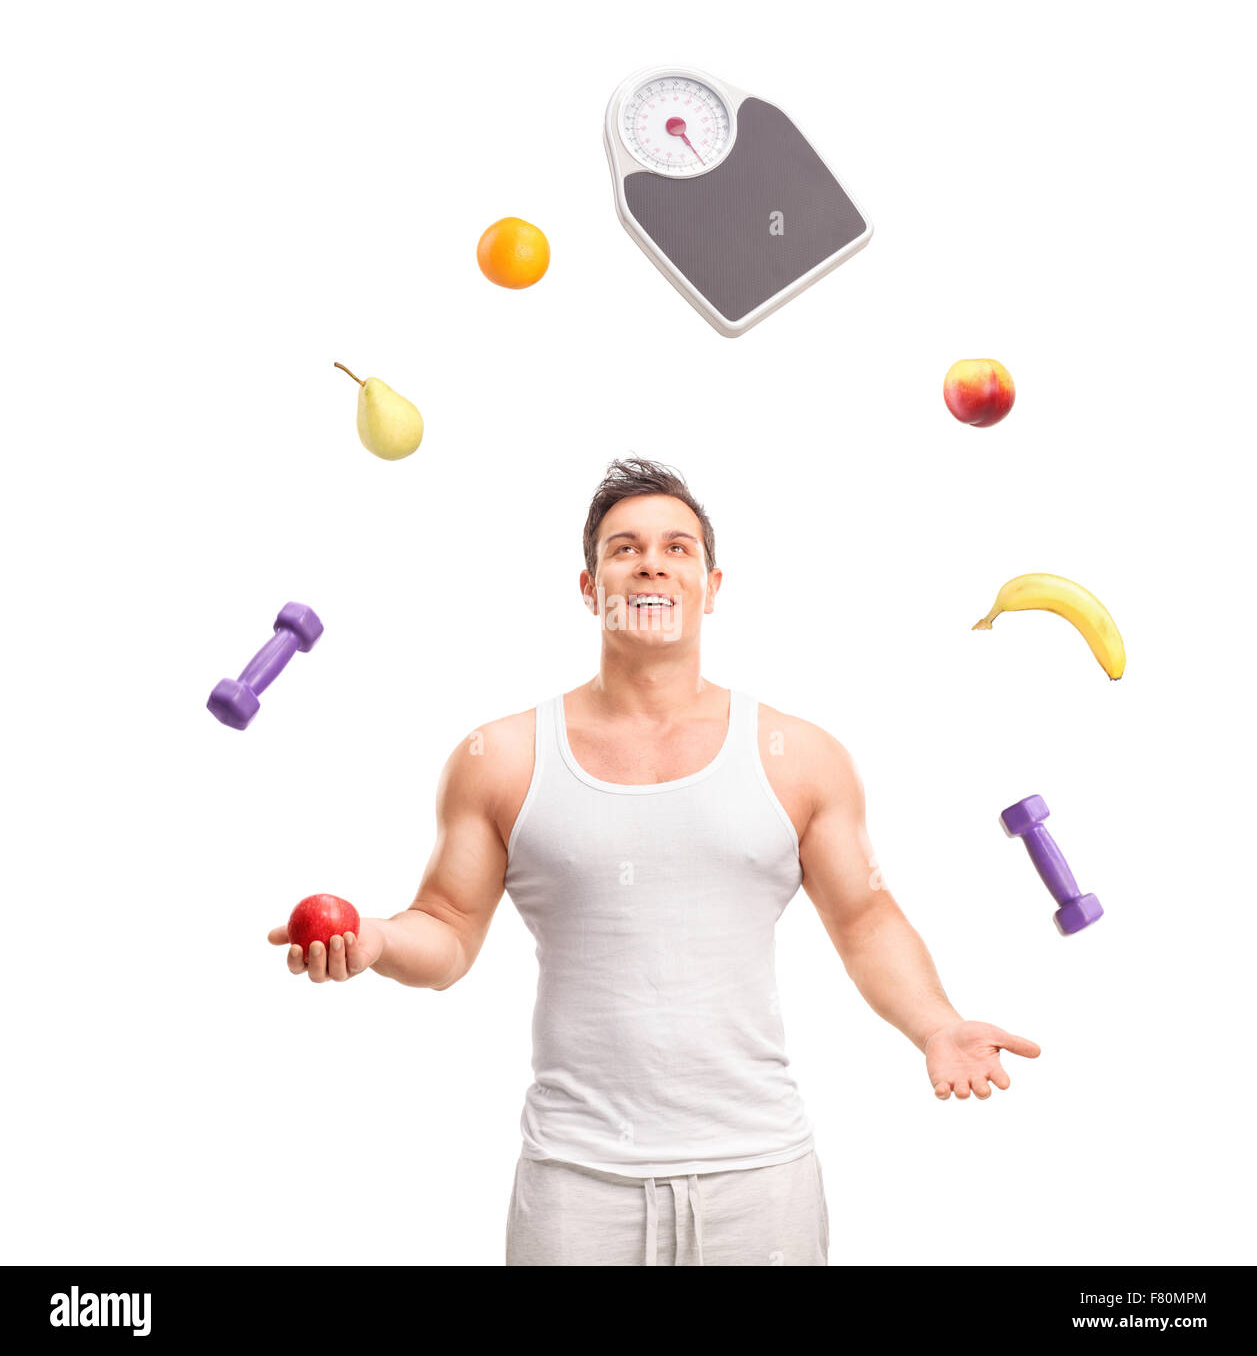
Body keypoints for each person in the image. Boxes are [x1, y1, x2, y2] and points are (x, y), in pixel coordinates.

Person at [268, 457, 1041, 1266]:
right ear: (587, 583)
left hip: (760, 1177)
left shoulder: (799, 757)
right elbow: (447, 928)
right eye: (624, 547)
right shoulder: (500, 756)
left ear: (710, 585)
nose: (650, 563)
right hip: (576, 1184)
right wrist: (378, 943)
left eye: (677, 549)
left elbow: (865, 919)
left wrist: (937, 1024)